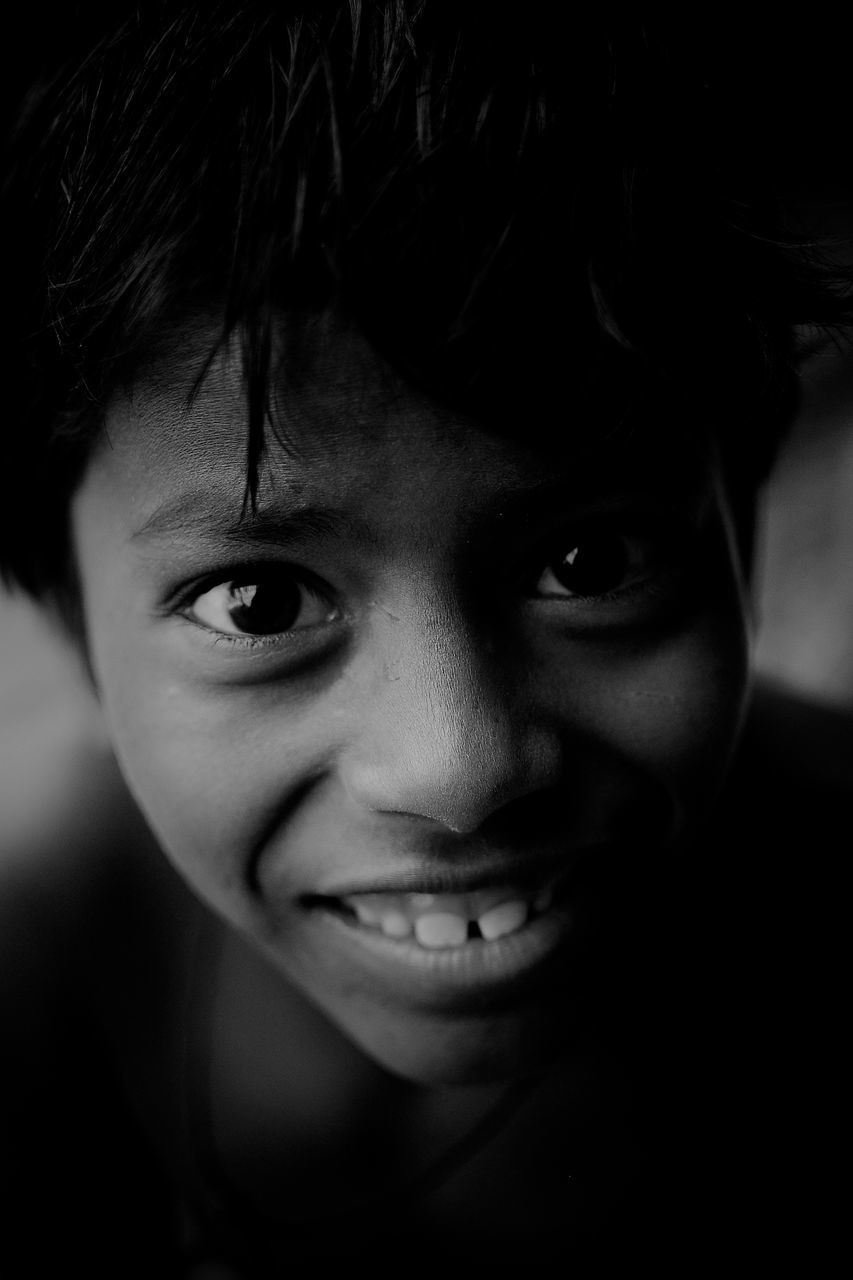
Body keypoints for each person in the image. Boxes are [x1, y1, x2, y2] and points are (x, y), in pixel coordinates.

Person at [0, 4, 848, 1274]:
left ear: (738, 526)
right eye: (261, 602)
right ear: (67, 615)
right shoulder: (48, 941)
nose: (458, 769)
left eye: (589, 563)